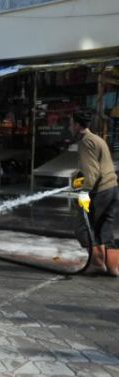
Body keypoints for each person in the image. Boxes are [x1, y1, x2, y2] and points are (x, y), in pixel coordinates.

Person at [72, 110, 119, 276]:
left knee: (84, 228)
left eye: (72, 124)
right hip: (112, 188)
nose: (72, 127)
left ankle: (97, 264)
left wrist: (85, 192)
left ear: (77, 125)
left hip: (100, 191)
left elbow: (92, 172)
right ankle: (113, 268)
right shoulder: (98, 139)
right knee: (104, 229)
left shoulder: (85, 141)